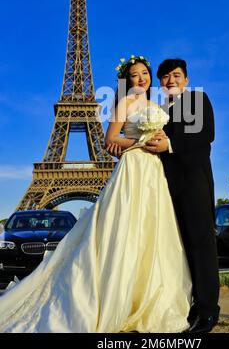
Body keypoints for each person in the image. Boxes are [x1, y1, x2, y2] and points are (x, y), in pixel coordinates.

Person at [0, 56, 192, 333]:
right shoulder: (123, 104)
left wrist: (159, 143)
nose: (141, 78)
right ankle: (115, 297)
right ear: (127, 81)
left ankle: (148, 295)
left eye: (145, 74)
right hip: (134, 167)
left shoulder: (157, 106)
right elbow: (110, 140)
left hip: (154, 172)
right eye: (135, 75)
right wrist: (141, 141)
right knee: (125, 228)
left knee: (152, 230)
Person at [143, 59, 220, 333]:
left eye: (176, 75)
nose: (170, 80)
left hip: (194, 183)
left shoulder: (197, 99)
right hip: (165, 186)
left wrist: (170, 144)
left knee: (201, 246)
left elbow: (206, 134)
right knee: (177, 249)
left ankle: (208, 310)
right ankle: (186, 305)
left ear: (186, 80)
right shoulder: (158, 110)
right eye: (164, 77)